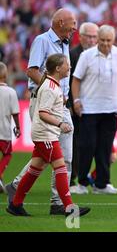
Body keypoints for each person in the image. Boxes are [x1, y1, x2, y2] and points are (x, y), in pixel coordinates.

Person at [5, 8, 77, 215]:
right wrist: (51, 88)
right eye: (72, 23)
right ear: (61, 22)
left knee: (47, 156)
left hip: (59, 103)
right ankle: (60, 203)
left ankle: (18, 190)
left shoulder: (65, 43)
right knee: (58, 156)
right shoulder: (42, 40)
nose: (74, 27)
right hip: (45, 102)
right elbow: (32, 70)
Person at [6, 54, 90, 217]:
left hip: (44, 134)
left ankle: (16, 204)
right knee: (61, 168)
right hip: (46, 135)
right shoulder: (50, 88)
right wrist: (60, 124)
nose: (69, 67)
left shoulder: (51, 85)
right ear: (58, 68)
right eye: (67, 65)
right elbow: (43, 113)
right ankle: (69, 208)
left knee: (34, 170)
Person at [72, 24, 117, 194]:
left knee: (105, 148)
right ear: (97, 39)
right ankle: (82, 182)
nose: (105, 44)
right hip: (89, 108)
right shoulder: (86, 55)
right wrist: (76, 100)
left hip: (111, 108)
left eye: (109, 41)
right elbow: (76, 79)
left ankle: (102, 184)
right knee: (87, 146)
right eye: (102, 40)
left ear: (114, 40)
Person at [68, 22, 99, 194]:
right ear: (80, 36)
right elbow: (67, 82)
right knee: (75, 145)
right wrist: (71, 104)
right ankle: (73, 178)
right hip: (76, 108)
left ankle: (86, 176)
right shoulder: (73, 55)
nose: (93, 40)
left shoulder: (97, 55)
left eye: (95, 36)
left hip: (93, 107)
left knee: (90, 145)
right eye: (89, 36)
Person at [0, 62, 20, 192]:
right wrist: (18, 127)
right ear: (6, 75)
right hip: (3, 131)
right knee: (7, 154)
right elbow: (15, 113)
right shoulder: (10, 92)